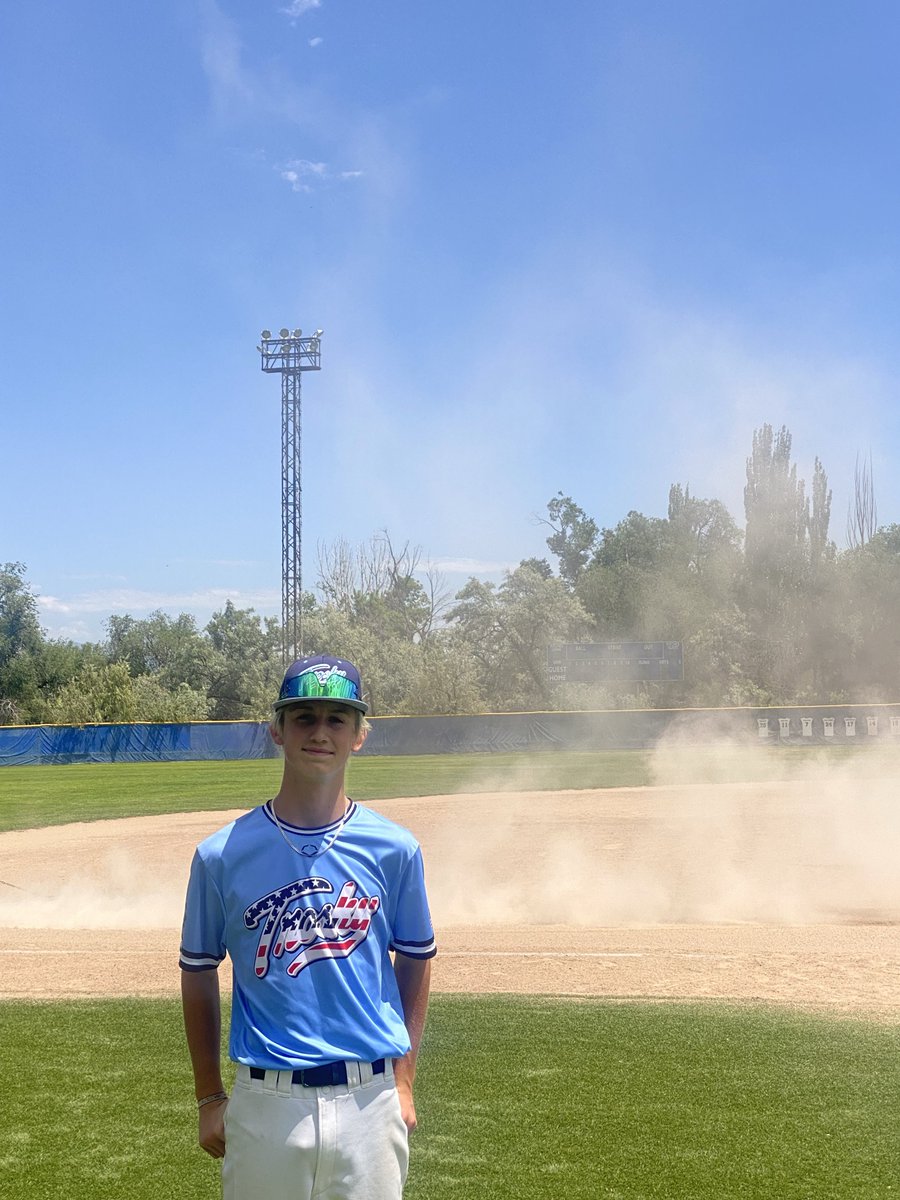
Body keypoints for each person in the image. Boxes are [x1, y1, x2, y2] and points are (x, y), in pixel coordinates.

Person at [180, 654, 436, 1200]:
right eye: (304, 717)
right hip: (266, 1104)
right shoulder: (221, 854)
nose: (320, 732)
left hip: (371, 1100)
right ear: (277, 729)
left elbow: (417, 957)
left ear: (359, 735)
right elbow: (197, 970)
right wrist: (208, 1096)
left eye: (337, 719)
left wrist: (404, 1079)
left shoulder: (394, 848)